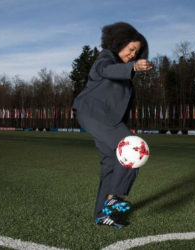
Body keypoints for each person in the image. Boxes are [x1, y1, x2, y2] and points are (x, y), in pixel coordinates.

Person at [72, 22, 152, 228]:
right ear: (120, 43)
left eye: (137, 52)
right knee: (135, 150)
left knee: (110, 162)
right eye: (131, 49)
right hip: (92, 113)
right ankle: (112, 199)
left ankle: (102, 215)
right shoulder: (105, 58)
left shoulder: (126, 76)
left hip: (105, 119)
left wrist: (124, 127)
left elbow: (118, 104)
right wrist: (131, 67)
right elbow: (106, 70)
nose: (133, 54)